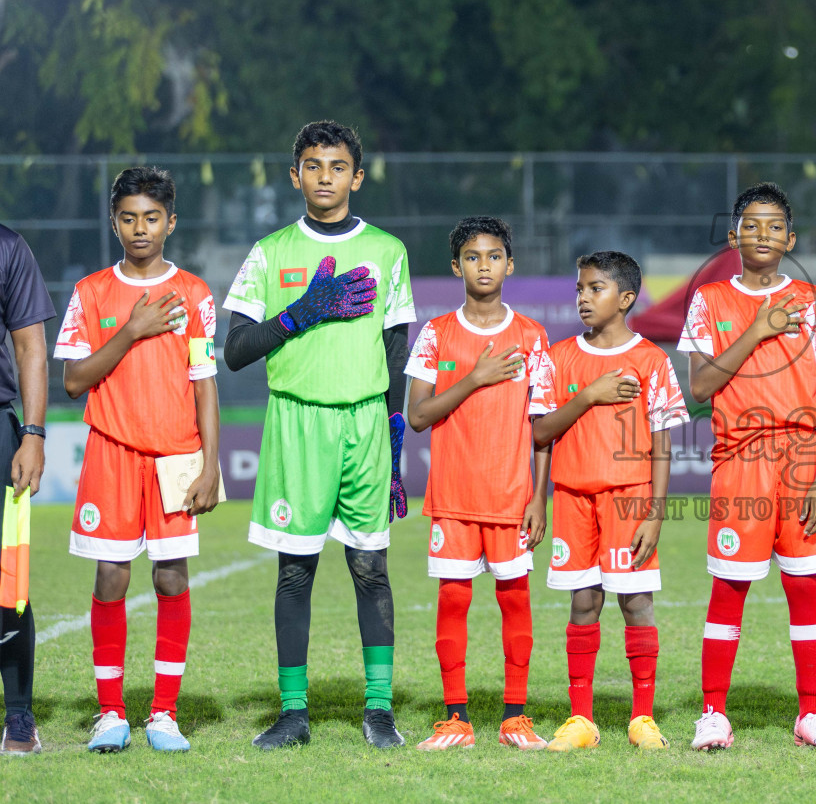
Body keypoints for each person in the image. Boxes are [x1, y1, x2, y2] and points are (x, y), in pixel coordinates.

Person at [223, 120, 414, 749]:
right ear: (295, 174)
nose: (324, 177)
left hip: (364, 422)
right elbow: (237, 351)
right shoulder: (271, 251)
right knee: (294, 572)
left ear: (356, 177)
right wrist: (303, 310)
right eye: (313, 165)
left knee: (370, 569)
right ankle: (293, 714)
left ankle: (380, 712)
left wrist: (393, 443)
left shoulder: (387, 250)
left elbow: (395, 349)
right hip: (295, 422)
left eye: (337, 167)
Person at [678, 182, 816, 751]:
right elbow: (700, 385)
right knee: (730, 587)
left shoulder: (812, 298)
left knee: (806, 588)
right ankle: (713, 714)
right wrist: (759, 328)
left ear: (791, 238)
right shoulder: (709, 299)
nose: (763, 235)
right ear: (733, 235)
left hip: (802, 458)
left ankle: (811, 714)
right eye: (751, 224)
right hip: (742, 457)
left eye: (775, 226)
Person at [54, 168, 221, 754]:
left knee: (172, 575)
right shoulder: (92, 291)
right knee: (110, 576)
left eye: (151, 217)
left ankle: (165, 714)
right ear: (113, 221)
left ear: (171, 222)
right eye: (128, 217)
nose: (140, 228)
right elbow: (74, 380)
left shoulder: (196, 295)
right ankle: (109, 714)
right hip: (111, 452)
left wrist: (210, 464)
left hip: (176, 456)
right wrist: (131, 330)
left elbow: (204, 384)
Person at [530, 251, 689, 752]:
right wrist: (590, 395)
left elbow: (663, 445)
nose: (582, 298)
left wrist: (656, 514)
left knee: (636, 603)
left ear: (625, 298)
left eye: (595, 289)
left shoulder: (651, 360)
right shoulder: (559, 358)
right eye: (580, 289)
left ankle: (642, 718)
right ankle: (582, 719)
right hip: (574, 498)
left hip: (630, 500)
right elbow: (541, 432)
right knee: (583, 603)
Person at [404, 218, 551, 751]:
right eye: (472, 256)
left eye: (493, 256)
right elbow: (417, 415)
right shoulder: (436, 332)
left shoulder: (532, 335)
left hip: (512, 497)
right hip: (453, 498)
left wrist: (538, 497)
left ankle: (516, 717)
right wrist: (473, 379)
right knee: (453, 600)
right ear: (456, 267)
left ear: (510, 264)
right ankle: (456, 718)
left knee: (516, 599)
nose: (483, 265)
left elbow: (542, 427)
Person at [0, 222, 56, 754]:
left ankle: (18, 716)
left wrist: (32, 434)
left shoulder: (7, 246)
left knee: (5, 578)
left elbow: (30, 346)